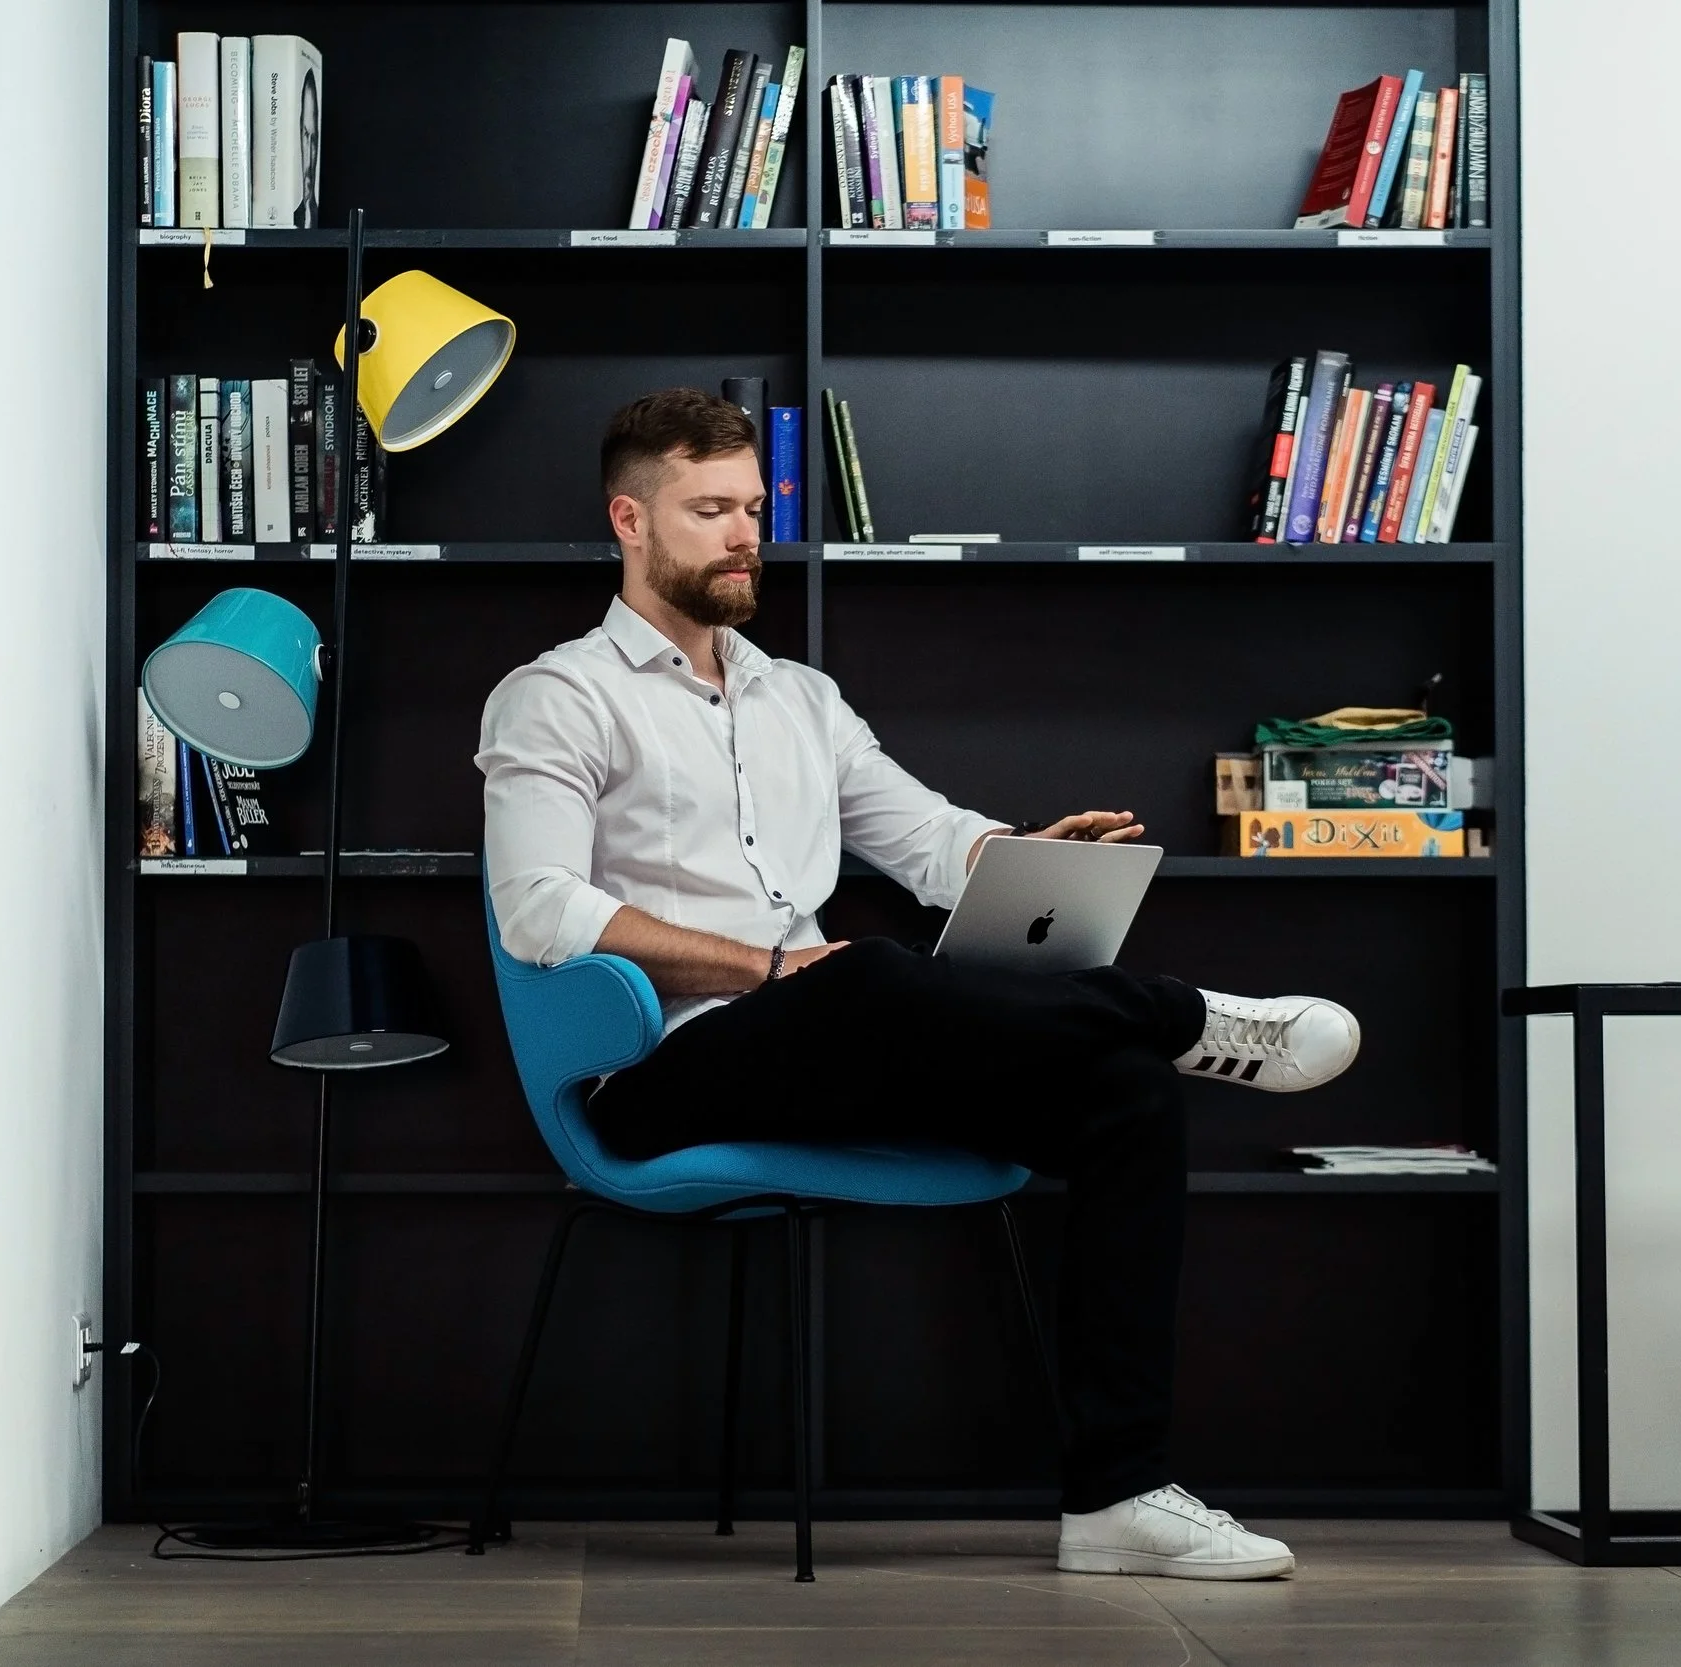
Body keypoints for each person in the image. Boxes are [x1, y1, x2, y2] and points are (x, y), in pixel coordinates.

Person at [475, 388, 1361, 1580]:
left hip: (829, 1038)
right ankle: (1194, 1013)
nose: (745, 533)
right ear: (628, 519)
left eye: (753, 506)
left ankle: (1116, 1494)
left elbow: (927, 839)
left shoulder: (800, 696)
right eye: (709, 510)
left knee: (1125, 1094)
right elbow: (540, 909)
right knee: (869, 976)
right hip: (660, 1066)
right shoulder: (555, 694)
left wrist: (1025, 858)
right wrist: (767, 965)